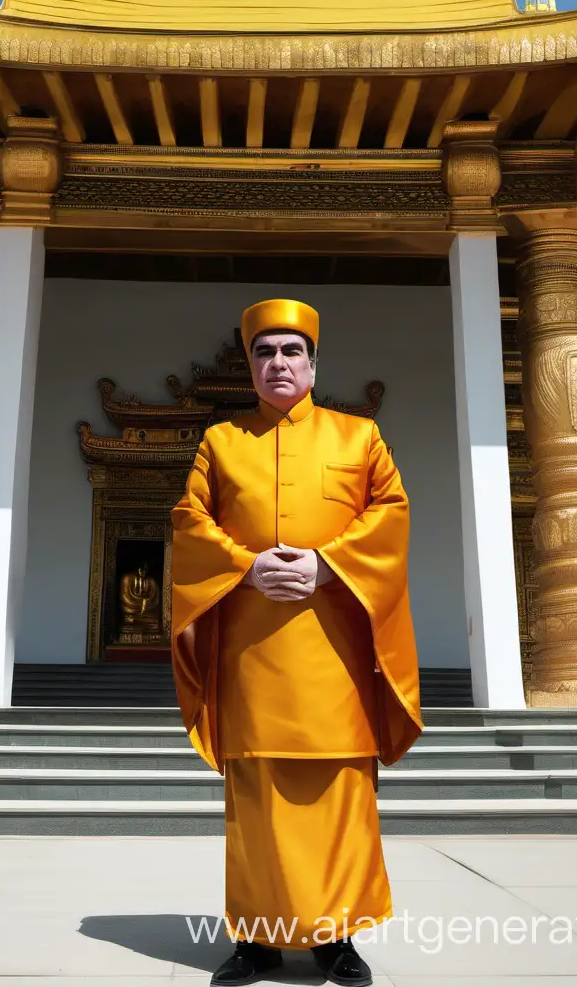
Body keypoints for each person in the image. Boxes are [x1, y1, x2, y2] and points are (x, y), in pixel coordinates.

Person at [171, 298, 423, 987]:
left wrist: (329, 563)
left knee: (339, 792)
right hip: (251, 654)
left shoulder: (359, 438)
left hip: (334, 653)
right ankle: (255, 939)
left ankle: (337, 938)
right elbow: (189, 523)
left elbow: (392, 515)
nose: (278, 363)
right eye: (264, 352)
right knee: (255, 798)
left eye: (291, 352)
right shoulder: (220, 443)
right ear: (248, 365)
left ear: (313, 363)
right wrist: (245, 565)